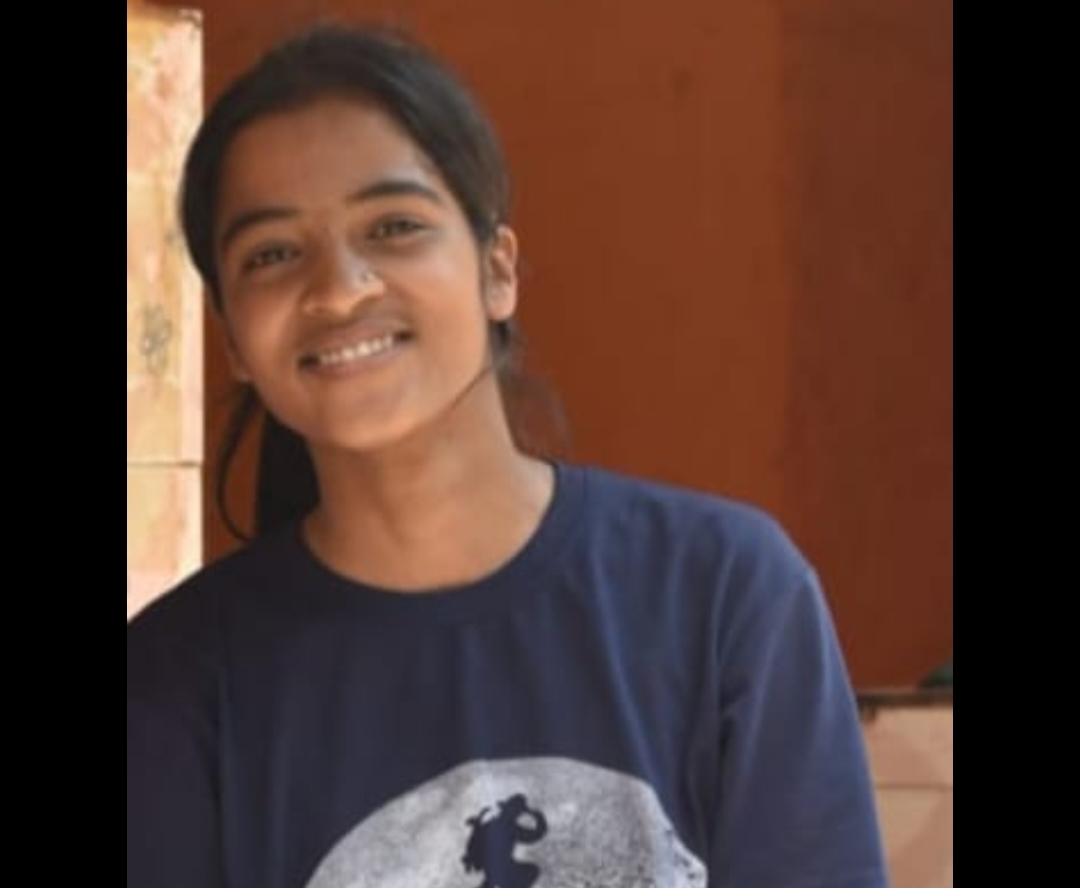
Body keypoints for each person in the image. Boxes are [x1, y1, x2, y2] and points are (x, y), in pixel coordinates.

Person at [127, 21, 890, 888]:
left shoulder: (725, 594)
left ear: (499, 270)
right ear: (231, 338)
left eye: (393, 226)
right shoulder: (173, 685)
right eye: (272, 253)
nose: (338, 289)